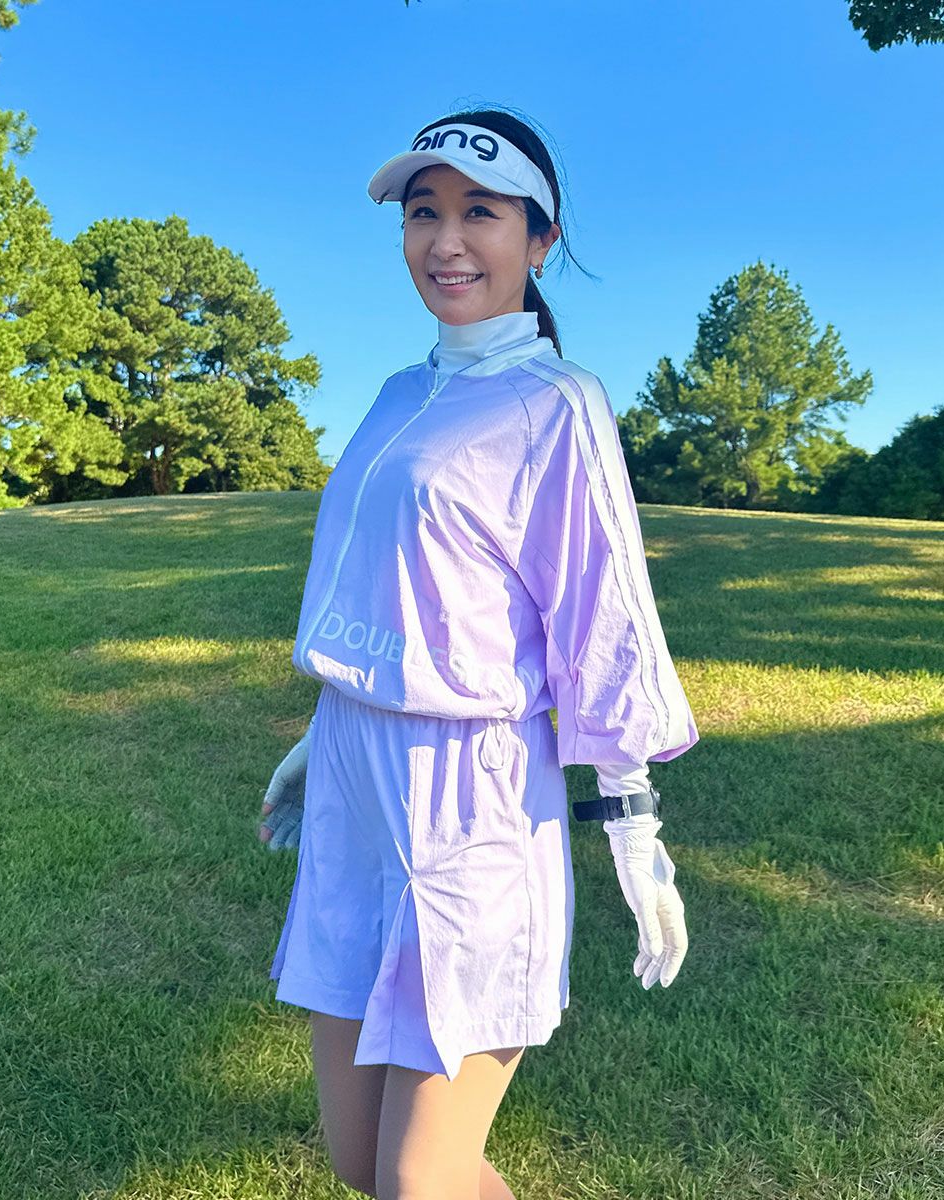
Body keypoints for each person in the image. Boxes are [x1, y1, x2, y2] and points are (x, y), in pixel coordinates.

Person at [258, 108, 700, 1200]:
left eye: (480, 213)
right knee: (361, 1166)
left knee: (425, 1175)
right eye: (424, 213)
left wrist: (633, 825)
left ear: (540, 239)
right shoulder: (396, 394)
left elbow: (604, 614)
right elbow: (382, 584)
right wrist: (320, 735)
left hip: (468, 794)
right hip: (353, 777)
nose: (446, 241)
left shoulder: (558, 405)